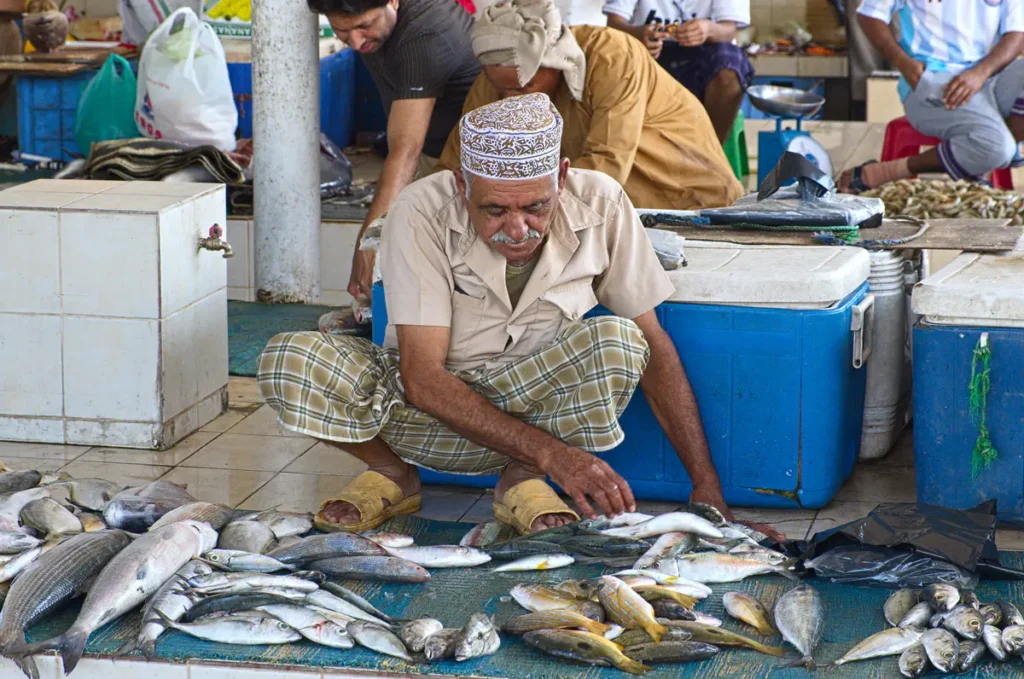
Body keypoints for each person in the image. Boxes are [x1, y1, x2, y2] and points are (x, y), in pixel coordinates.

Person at [259, 94, 775, 539]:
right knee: (289, 357)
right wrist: (558, 457)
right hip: (428, 410)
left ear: (563, 177)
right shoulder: (419, 210)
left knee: (621, 340)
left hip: (534, 402)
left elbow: (655, 344)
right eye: (494, 211)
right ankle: (393, 474)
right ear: (462, 186)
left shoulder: (603, 202)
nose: (517, 229)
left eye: (535, 207)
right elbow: (422, 378)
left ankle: (518, 480)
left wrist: (706, 489)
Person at [437, 0, 743, 211]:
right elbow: (456, 164)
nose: (511, 99)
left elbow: (605, 170)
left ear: (557, 61)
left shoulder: (614, 57)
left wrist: (510, 197)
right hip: (619, 208)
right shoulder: (495, 79)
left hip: (694, 204)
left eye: (525, 86)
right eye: (502, 88)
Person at [307, 0, 481, 300]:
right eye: (342, 32)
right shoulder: (379, 28)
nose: (357, 41)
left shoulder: (425, 35)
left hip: (467, 164)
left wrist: (369, 243)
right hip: (432, 148)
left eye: (364, 26)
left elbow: (405, 151)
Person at [840, 0, 1024, 192]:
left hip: (991, 75)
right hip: (934, 78)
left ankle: (985, 155)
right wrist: (903, 62)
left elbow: (1017, 34)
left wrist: (980, 73)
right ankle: (888, 171)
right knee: (998, 149)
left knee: (998, 148)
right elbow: (870, 14)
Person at [602, 0, 753, 144]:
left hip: (706, 56)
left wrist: (708, 29)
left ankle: (709, 155)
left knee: (728, 67)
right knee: (614, 59)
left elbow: (728, 30)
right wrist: (639, 35)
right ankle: (628, 151)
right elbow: (614, 24)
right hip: (650, 53)